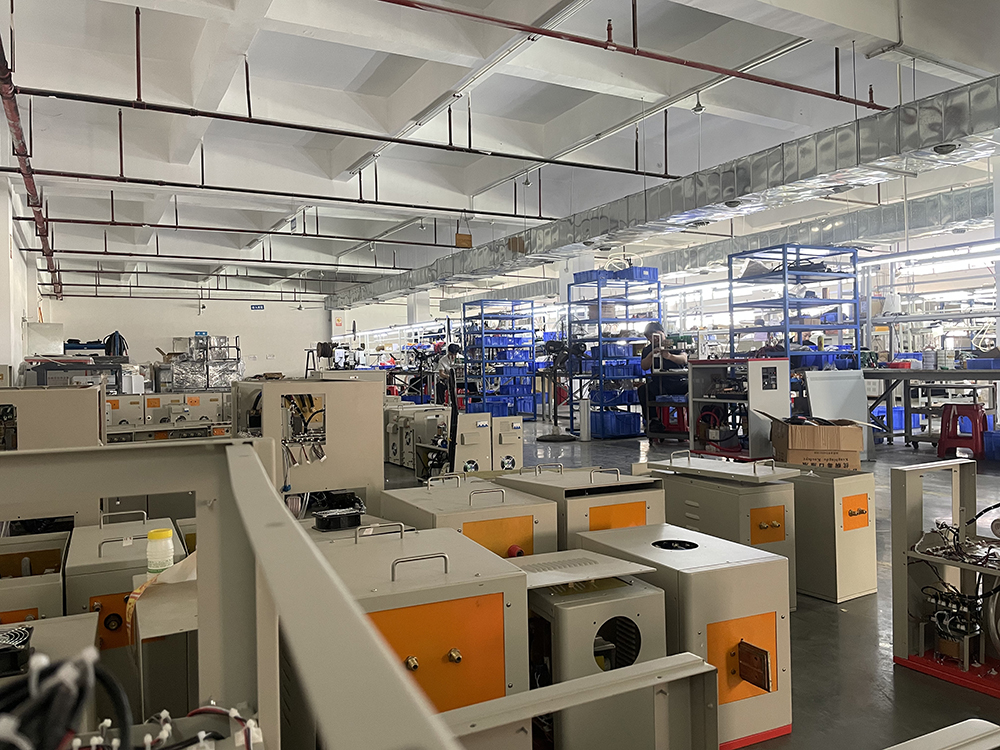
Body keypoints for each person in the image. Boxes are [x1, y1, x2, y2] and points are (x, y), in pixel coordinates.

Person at [637, 322, 688, 428]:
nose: (653, 338)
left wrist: (669, 356)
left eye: (655, 335)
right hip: (660, 384)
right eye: (649, 337)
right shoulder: (648, 349)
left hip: (679, 382)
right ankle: (654, 421)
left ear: (662, 332)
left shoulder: (674, 343)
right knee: (643, 390)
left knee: (694, 388)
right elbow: (644, 366)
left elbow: (684, 359)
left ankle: (696, 422)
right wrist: (650, 355)